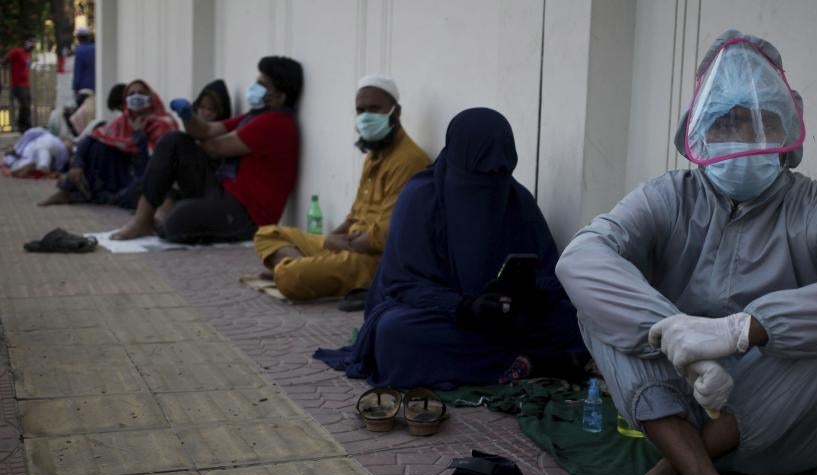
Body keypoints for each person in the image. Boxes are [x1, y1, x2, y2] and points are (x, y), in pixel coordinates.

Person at [555, 30, 817, 475]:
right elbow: (580, 256)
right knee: (600, 308)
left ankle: (670, 473)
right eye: (724, 121)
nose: (740, 136)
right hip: (678, 399)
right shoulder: (670, 196)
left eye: (755, 120)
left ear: (784, 129)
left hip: (779, 431)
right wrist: (679, 339)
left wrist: (744, 330)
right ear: (697, 129)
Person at [315, 107, 588, 390]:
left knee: (573, 321)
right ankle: (533, 363)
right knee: (393, 334)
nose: (491, 182)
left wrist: (529, 295)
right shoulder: (420, 199)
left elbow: (550, 274)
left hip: (504, 319)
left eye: (500, 171)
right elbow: (404, 285)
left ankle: (512, 362)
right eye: (480, 171)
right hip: (443, 315)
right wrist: (465, 307)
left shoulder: (516, 199)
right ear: (459, 160)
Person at [253, 75, 429, 301]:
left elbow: (388, 233)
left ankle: (289, 268)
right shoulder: (374, 155)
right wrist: (330, 241)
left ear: (396, 112)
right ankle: (300, 266)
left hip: (374, 259)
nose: (366, 117)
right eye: (361, 110)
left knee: (290, 277)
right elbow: (354, 215)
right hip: (350, 244)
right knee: (267, 233)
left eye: (374, 109)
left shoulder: (408, 160)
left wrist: (336, 245)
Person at [110, 56, 302, 243]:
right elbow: (207, 130)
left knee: (174, 223)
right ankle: (142, 220)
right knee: (173, 141)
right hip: (223, 190)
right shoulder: (255, 116)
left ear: (280, 97)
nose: (255, 88)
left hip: (247, 214)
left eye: (263, 85)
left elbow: (214, 148)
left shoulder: (276, 124)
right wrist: (188, 116)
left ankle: (171, 216)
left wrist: (193, 140)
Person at [38, 80, 177, 206]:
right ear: (126, 101)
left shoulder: (163, 124)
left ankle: (86, 195)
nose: (136, 96)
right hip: (119, 177)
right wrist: (77, 165)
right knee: (97, 145)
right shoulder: (122, 122)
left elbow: (152, 165)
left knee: (139, 194)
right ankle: (71, 191)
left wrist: (138, 134)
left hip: (143, 178)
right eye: (132, 94)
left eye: (141, 93)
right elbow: (90, 139)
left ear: (150, 98)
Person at [3, 127, 69, 176]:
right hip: (46, 155)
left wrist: (16, 150)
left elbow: (31, 132)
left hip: (46, 146)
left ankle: (43, 167)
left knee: (43, 151)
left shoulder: (46, 135)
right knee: (39, 156)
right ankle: (42, 167)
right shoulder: (19, 155)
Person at [2, 36, 36, 132]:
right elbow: (6, 59)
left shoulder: (28, 55)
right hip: (17, 85)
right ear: (26, 43)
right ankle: (21, 125)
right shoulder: (17, 51)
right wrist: (6, 66)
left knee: (28, 106)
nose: (32, 46)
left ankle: (28, 126)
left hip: (26, 84)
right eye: (31, 43)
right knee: (24, 105)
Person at [72, 27, 95, 103]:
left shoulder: (79, 51)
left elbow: (77, 71)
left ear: (78, 38)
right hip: (95, 86)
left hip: (84, 89)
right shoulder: (95, 48)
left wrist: (75, 88)